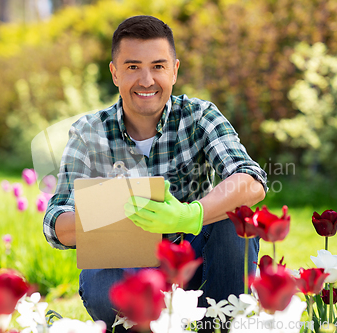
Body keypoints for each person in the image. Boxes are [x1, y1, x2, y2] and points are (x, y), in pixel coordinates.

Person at [43, 15, 267, 332]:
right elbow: (56, 222)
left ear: (174, 70)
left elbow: (251, 180)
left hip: (197, 267)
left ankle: (217, 326)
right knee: (100, 275)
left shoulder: (200, 115)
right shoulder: (88, 132)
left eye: (158, 66)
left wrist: (191, 214)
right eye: (133, 67)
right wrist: (112, 211)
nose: (147, 80)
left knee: (234, 221)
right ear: (115, 73)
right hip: (127, 272)